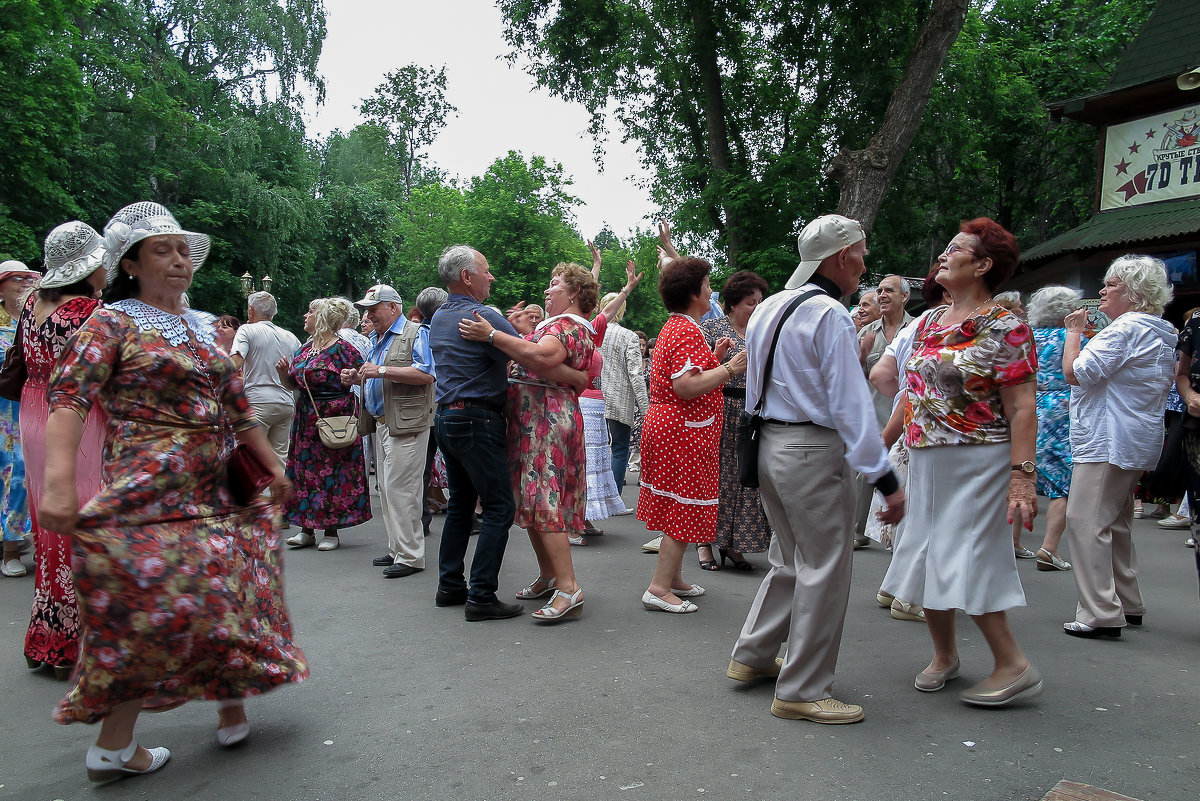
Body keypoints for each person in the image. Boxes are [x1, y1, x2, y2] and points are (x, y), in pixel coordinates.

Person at [39, 201, 306, 781]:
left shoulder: (207, 327)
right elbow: (68, 402)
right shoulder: (112, 324)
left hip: (218, 486)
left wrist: (272, 466)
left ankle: (227, 702)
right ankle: (114, 746)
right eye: (164, 249)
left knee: (228, 591)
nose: (181, 259)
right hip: (150, 488)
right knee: (151, 605)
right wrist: (57, 486)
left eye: (184, 249)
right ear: (129, 263)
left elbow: (240, 410)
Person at [727, 214, 903, 724]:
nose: (864, 265)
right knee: (824, 566)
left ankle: (754, 655)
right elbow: (851, 407)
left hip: (766, 445)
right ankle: (802, 688)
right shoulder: (830, 314)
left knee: (789, 559)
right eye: (862, 255)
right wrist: (886, 478)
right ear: (843, 256)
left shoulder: (768, 308)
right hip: (808, 449)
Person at [880, 217, 1041, 708]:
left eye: (956, 249)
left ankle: (1014, 664)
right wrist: (881, 447)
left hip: (981, 458)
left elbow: (1022, 407)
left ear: (984, 264)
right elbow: (912, 392)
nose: (944, 255)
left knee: (966, 556)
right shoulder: (927, 322)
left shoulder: (1007, 326)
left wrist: (1021, 478)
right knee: (925, 551)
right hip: (927, 456)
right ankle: (945, 655)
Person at [459, 261, 596, 621]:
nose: (547, 289)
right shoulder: (557, 325)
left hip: (545, 421)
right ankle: (550, 575)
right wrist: (572, 376)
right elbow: (545, 363)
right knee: (533, 502)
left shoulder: (567, 325)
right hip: (534, 419)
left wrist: (491, 335)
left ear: (575, 293)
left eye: (555, 283)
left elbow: (540, 356)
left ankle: (569, 587)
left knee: (543, 498)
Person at [1063, 255, 1176, 638]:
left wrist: (1074, 332)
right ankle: (1127, 601)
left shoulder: (1125, 329)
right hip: (1136, 438)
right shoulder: (1161, 331)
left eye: (1111, 284)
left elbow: (1076, 373)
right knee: (1117, 520)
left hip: (1107, 438)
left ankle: (1099, 612)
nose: (1103, 291)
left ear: (1131, 291)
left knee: (1086, 520)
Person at [638, 222, 748, 613]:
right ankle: (658, 587)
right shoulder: (686, 330)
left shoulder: (682, 327)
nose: (711, 288)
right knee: (682, 506)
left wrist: (714, 360)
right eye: (706, 283)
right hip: (683, 431)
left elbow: (684, 379)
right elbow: (685, 387)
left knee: (679, 506)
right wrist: (731, 368)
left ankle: (672, 579)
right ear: (694, 292)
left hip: (677, 429)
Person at [20, 222, 107, 676]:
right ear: (91, 266)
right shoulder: (90, 312)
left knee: (48, 524)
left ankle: (48, 634)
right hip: (77, 416)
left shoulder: (32, 303)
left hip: (35, 413)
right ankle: (77, 642)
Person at [342, 284, 434, 578]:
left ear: (393, 307)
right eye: (367, 309)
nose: (369, 314)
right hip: (384, 422)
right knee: (386, 488)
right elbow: (377, 377)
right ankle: (398, 548)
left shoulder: (416, 333)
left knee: (402, 489)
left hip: (406, 424)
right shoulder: (377, 338)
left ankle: (410, 555)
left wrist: (379, 371)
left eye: (373, 308)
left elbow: (426, 373)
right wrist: (357, 378)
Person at [277, 298, 371, 551]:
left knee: (333, 472)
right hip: (307, 417)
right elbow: (296, 385)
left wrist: (351, 379)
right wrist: (284, 376)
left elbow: (364, 378)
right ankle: (306, 529)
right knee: (304, 473)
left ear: (322, 318)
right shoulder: (305, 349)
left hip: (334, 417)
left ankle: (332, 530)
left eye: (310, 312)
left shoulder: (343, 349)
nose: (305, 316)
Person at [699, 270, 771, 571]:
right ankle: (704, 543)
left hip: (751, 412)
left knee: (745, 478)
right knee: (715, 478)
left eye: (759, 302)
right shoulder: (713, 327)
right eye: (750, 302)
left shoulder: (763, 333)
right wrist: (725, 364)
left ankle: (733, 545)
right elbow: (698, 372)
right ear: (732, 304)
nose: (756, 308)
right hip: (720, 406)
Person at [1026, 285, 1084, 572]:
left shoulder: (1029, 339)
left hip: (1030, 405)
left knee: (1023, 472)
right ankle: (1049, 548)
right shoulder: (1074, 339)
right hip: (1063, 408)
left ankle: (1009, 542)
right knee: (1063, 482)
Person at [853, 275, 913, 548]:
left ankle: (903, 534)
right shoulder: (866, 333)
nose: (882, 294)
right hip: (874, 413)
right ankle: (857, 530)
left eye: (889, 290)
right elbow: (849, 377)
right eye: (879, 290)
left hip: (907, 415)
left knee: (907, 474)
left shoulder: (918, 328)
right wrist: (862, 355)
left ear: (905, 297)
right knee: (866, 472)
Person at [230, 291, 302, 466]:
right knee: (279, 461)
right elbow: (300, 369)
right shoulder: (291, 337)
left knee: (251, 460)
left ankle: (251, 494)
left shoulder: (247, 330)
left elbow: (236, 361)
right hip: (285, 404)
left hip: (257, 402)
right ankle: (279, 493)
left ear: (251, 311)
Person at [0, 259, 39, 577]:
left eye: (30, 277)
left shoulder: (36, 318)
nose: (25, 282)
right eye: (17, 278)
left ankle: (28, 541)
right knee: (14, 475)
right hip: (3, 414)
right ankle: (9, 549)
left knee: (32, 475)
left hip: (31, 407)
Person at [600, 288, 649, 497]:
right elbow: (636, 375)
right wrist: (646, 409)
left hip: (592, 399)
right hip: (620, 401)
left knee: (597, 450)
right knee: (620, 450)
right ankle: (614, 498)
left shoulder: (593, 331)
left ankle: (595, 498)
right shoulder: (628, 336)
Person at [413, 287, 448, 539]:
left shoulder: (416, 333)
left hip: (426, 409)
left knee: (423, 468)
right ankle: (467, 515)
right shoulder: (435, 333)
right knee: (456, 465)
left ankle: (422, 518)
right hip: (440, 405)